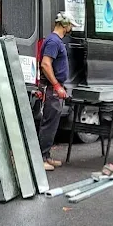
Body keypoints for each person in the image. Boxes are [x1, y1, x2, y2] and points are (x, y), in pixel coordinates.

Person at [38, 12, 78, 171]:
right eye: (70, 26)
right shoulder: (54, 42)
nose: (71, 29)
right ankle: (40, 158)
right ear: (65, 24)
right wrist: (56, 86)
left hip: (53, 87)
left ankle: (46, 156)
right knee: (48, 124)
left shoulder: (55, 41)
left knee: (52, 123)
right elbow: (45, 64)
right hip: (51, 89)